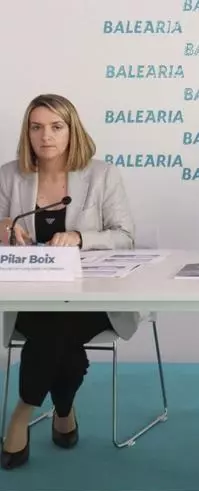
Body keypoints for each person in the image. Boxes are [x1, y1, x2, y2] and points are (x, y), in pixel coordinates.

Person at [0, 94, 137, 470]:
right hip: (29, 297)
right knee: (59, 335)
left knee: (55, 327)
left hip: (91, 297)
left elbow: (125, 237)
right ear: (27, 133)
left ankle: (22, 413)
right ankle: (63, 409)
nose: (46, 136)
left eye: (56, 127)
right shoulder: (9, 176)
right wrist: (3, 227)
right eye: (37, 127)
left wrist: (79, 237)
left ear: (72, 130)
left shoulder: (102, 175)